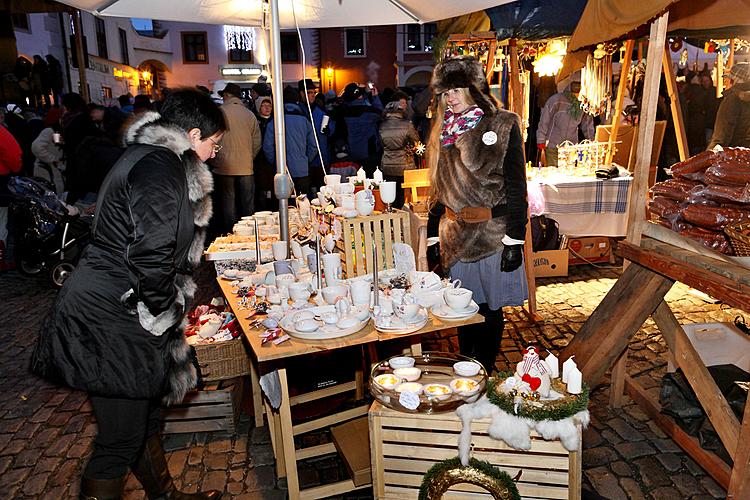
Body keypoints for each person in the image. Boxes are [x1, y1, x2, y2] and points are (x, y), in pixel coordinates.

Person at [31, 88, 225, 500]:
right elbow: (151, 252)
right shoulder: (160, 167)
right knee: (119, 439)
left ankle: (167, 497)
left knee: (143, 422)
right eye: (213, 144)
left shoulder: (153, 159)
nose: (213, 155)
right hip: (111, 316)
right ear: (193, 135)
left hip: (120, 307)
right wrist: (163, 308)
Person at [426, 56, 528, 374]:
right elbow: (437, 192)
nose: (451, 98)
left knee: (490, 310)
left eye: (457, 89)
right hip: (455, 238)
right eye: (445, 92)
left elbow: (516, 188)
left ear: (474, 89)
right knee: (462, 310)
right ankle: (466, 367)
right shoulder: (442, 132)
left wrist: (514, 239)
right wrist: (433, 238)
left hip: (492, 236)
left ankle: (481, 371)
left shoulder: (503, 123)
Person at [212, 83, 262, 233]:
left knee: (228, 204)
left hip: (224, 165)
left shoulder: (219, 112)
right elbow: (257, 141)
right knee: (247, 204)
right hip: (246, 165)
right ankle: (250, 234)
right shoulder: (249, 114)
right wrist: (249, 156)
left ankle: (231, 233)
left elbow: (212, 138)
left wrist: (216, 159)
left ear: (226, 96)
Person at [263, 86, 319, 198]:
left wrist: (275, 161)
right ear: (297, 100)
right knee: (303, 205)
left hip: (282, 170)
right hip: (302, 169)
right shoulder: (305, 119)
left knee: (284, 204)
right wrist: (306, 159)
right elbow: (314, 145)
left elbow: (267, 146)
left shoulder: (275, 120)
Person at [536, 77, 594, 166]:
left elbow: (587, 125)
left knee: (569, 175)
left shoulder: (583, 104)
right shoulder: (556, 100)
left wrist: (592, 143)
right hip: (553, 147)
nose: (577, 94)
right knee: (553, 175)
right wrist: (541, 141)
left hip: (571, 148)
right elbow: (544, 122)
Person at [379, 101, 420, 209]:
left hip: (388, 164)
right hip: (405, 164)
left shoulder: (382, 126)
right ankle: (404, 217)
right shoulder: (407, 125)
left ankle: (392, 216)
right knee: (404, 195)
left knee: (391, 194)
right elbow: (416, 140)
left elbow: (379, 144)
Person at [708, 62, 750, 150]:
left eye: (729, 80)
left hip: (736, 156)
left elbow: (722, 136)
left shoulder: (733, 99)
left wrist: (710, 155)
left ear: (734, 80)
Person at [31, 107, 65, 194]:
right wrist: (52, 158)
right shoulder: (49, 131)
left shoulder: (56, 131)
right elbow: (36, 147)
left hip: (53, 170)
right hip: (46, 171)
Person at [254, 96, 276, 211]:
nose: (267, 108)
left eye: (270, 105)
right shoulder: (255, 122)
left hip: (272, 161)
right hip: (260, 161)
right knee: (262, 190)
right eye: (264, 105)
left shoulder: (276, 121)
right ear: (258, 107)